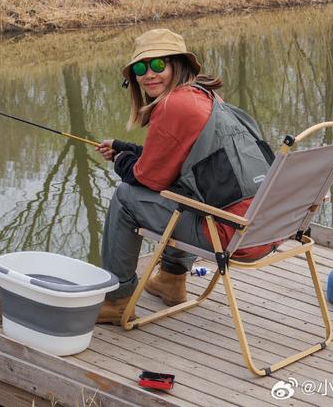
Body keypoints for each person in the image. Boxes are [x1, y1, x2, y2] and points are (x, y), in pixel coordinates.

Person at [95, 28, 274, 325]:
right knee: (183, 188)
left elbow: (148, 179)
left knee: (126, 198)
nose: (148, 74)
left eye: (158, 65)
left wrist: (122, 160)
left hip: (231, 237)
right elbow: (178, 159)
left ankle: (117, 299)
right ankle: (170, 279)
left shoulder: (172, 104)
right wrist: (125, 148)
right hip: (263, 229)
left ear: (177, 64)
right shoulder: (207, 96)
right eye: (140, 68)